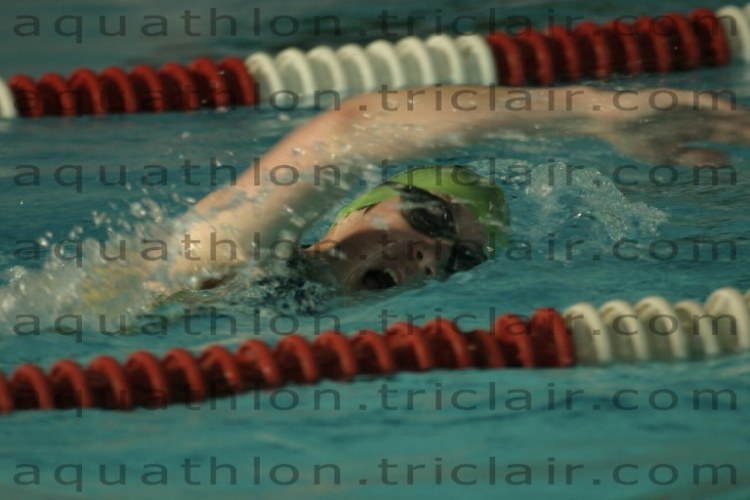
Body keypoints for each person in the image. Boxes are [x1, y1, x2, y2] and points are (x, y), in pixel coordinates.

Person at [158, 84, 747, 297]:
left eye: (462, 259)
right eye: (431, 220)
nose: (435, 253)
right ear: (357, 207)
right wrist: (591, 112)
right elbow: (350, 132)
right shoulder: (237, 255)